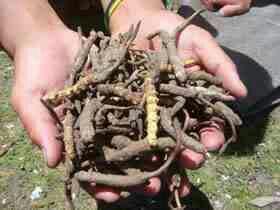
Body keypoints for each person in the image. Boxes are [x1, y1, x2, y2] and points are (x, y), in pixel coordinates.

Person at [0, 0, 249, 203]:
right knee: (101, 158)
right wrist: (30, 29)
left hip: (113, 22)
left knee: (126, 160)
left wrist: (136, 6)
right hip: (56, 21)